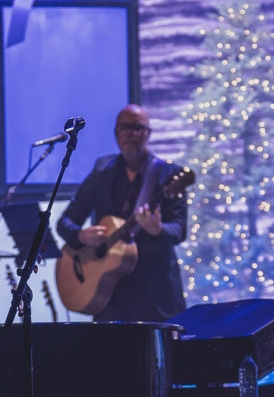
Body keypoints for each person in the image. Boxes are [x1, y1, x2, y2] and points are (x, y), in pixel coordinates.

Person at [55, 104, 188, 322]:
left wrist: (158, 229)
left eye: (136, 127)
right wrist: (80, 236)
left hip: (153, 293)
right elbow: (66, 221)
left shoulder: (170, 175)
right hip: (107, 294)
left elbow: (180, 229)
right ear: (116, 133)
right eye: (123, 128)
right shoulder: (102, 170)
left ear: (148, 133)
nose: (129, 133)